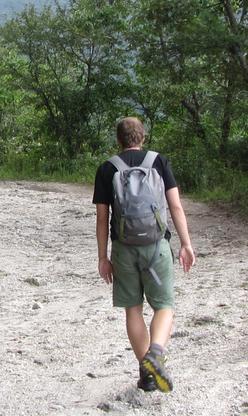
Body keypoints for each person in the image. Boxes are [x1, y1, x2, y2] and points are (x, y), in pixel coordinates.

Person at [93, 117, 196, 392]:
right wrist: (186, 243)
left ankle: (147, 373)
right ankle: (156, 352)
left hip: (123, 250)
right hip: (157, 245)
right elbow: (175, 206)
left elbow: (102, 219)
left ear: (118, 140)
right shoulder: (158, 162)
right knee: (163, 306)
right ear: (143, 137)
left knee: (133, 309)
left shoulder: (107, 169)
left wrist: (103, 256)